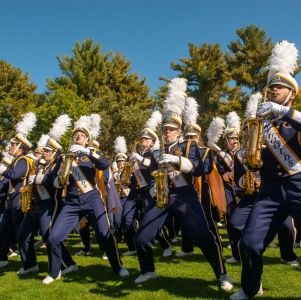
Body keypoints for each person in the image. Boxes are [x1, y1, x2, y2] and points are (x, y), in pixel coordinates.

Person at [134, 77, 233, 292]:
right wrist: (153, 183)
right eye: (165, 129)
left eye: (171, 129)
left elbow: (199, 168)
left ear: (178, 131)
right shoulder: (157, 151)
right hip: (162, 197)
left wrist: (177, 161)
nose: (167, 132)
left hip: (185, 196)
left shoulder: (189, 146)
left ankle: (222, 273)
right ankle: (148, 270)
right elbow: (150, 171)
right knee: (141, 236)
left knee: (203, 237)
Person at [230, 40, 301, 299]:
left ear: (291, 94)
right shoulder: (259, 125)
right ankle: (250, 288)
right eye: (271, 87)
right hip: (269, 190)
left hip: (298, 184)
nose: (273, 90)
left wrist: (285, 112)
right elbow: (253, 160)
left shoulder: (294, 119)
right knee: (248, 243)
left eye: (280, 87)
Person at [45, 115, 128, 284]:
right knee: (54, 238)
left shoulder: (91, 153)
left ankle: (118, 266)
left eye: (82, 135)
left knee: (104, 235)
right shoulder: (63, 158)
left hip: (92, 198)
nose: (78, 136)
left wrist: (87, 152)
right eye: (75, 134)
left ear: (87, 140)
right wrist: (57, 180)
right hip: (71, 202)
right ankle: (55, 272)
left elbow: (104, 164)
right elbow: (53, 179)